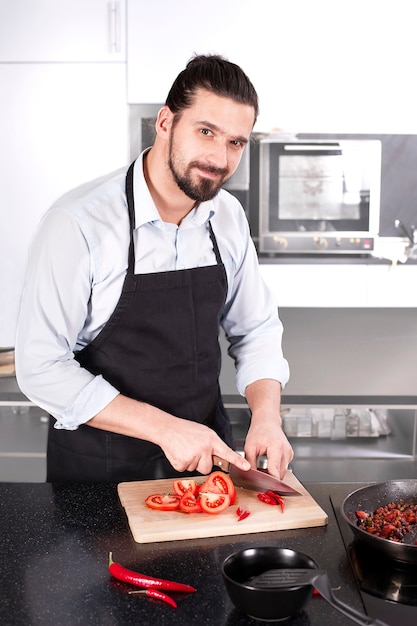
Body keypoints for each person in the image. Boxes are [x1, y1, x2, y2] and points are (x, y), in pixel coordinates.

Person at [15, 54, 293, 483]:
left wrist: (267, 417)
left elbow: (255, 329)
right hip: (99, 470)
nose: (220, 158)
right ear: (165, 122)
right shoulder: (79, 223)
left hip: (207, 462)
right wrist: (165, 429)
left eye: (236, 142)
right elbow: (40, 366)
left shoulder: (228, 217)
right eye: (206, 131)